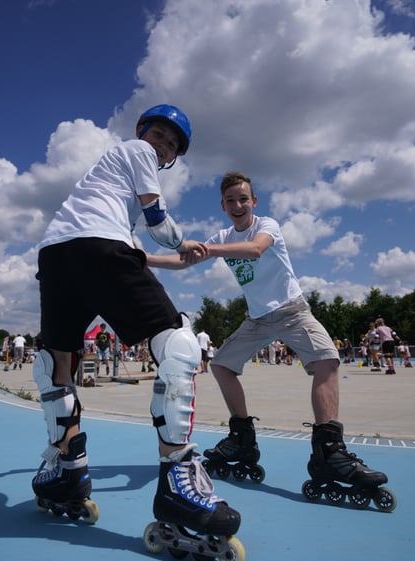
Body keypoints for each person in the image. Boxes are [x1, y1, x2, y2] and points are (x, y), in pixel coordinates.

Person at [32, 104, 241, 541]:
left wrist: (176, 261)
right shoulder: (137, 152)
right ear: (143, 132)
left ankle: (66, 469)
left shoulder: (106, 188)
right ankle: (179, 478)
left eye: (171, 144)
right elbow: (157, 222)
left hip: (57, 253)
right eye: (159, 135)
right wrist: (185, 244)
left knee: (57, 362)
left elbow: (136, 255)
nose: (162, 144)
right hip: (97, 247)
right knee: (179, 343)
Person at [147, 171, 393, 510]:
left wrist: (210, 250)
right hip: (257, 319)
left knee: (327, 360)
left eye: (243, 198)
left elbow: (255, 249)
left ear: (254, 201)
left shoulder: (267, 226)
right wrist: (144, 259)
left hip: (292, 311)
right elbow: (184, 260)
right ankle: (242, 439)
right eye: (230, 200)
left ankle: (329, 451)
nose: (237, 205)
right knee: (220, 365)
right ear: (222, 205)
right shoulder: (221, 234)